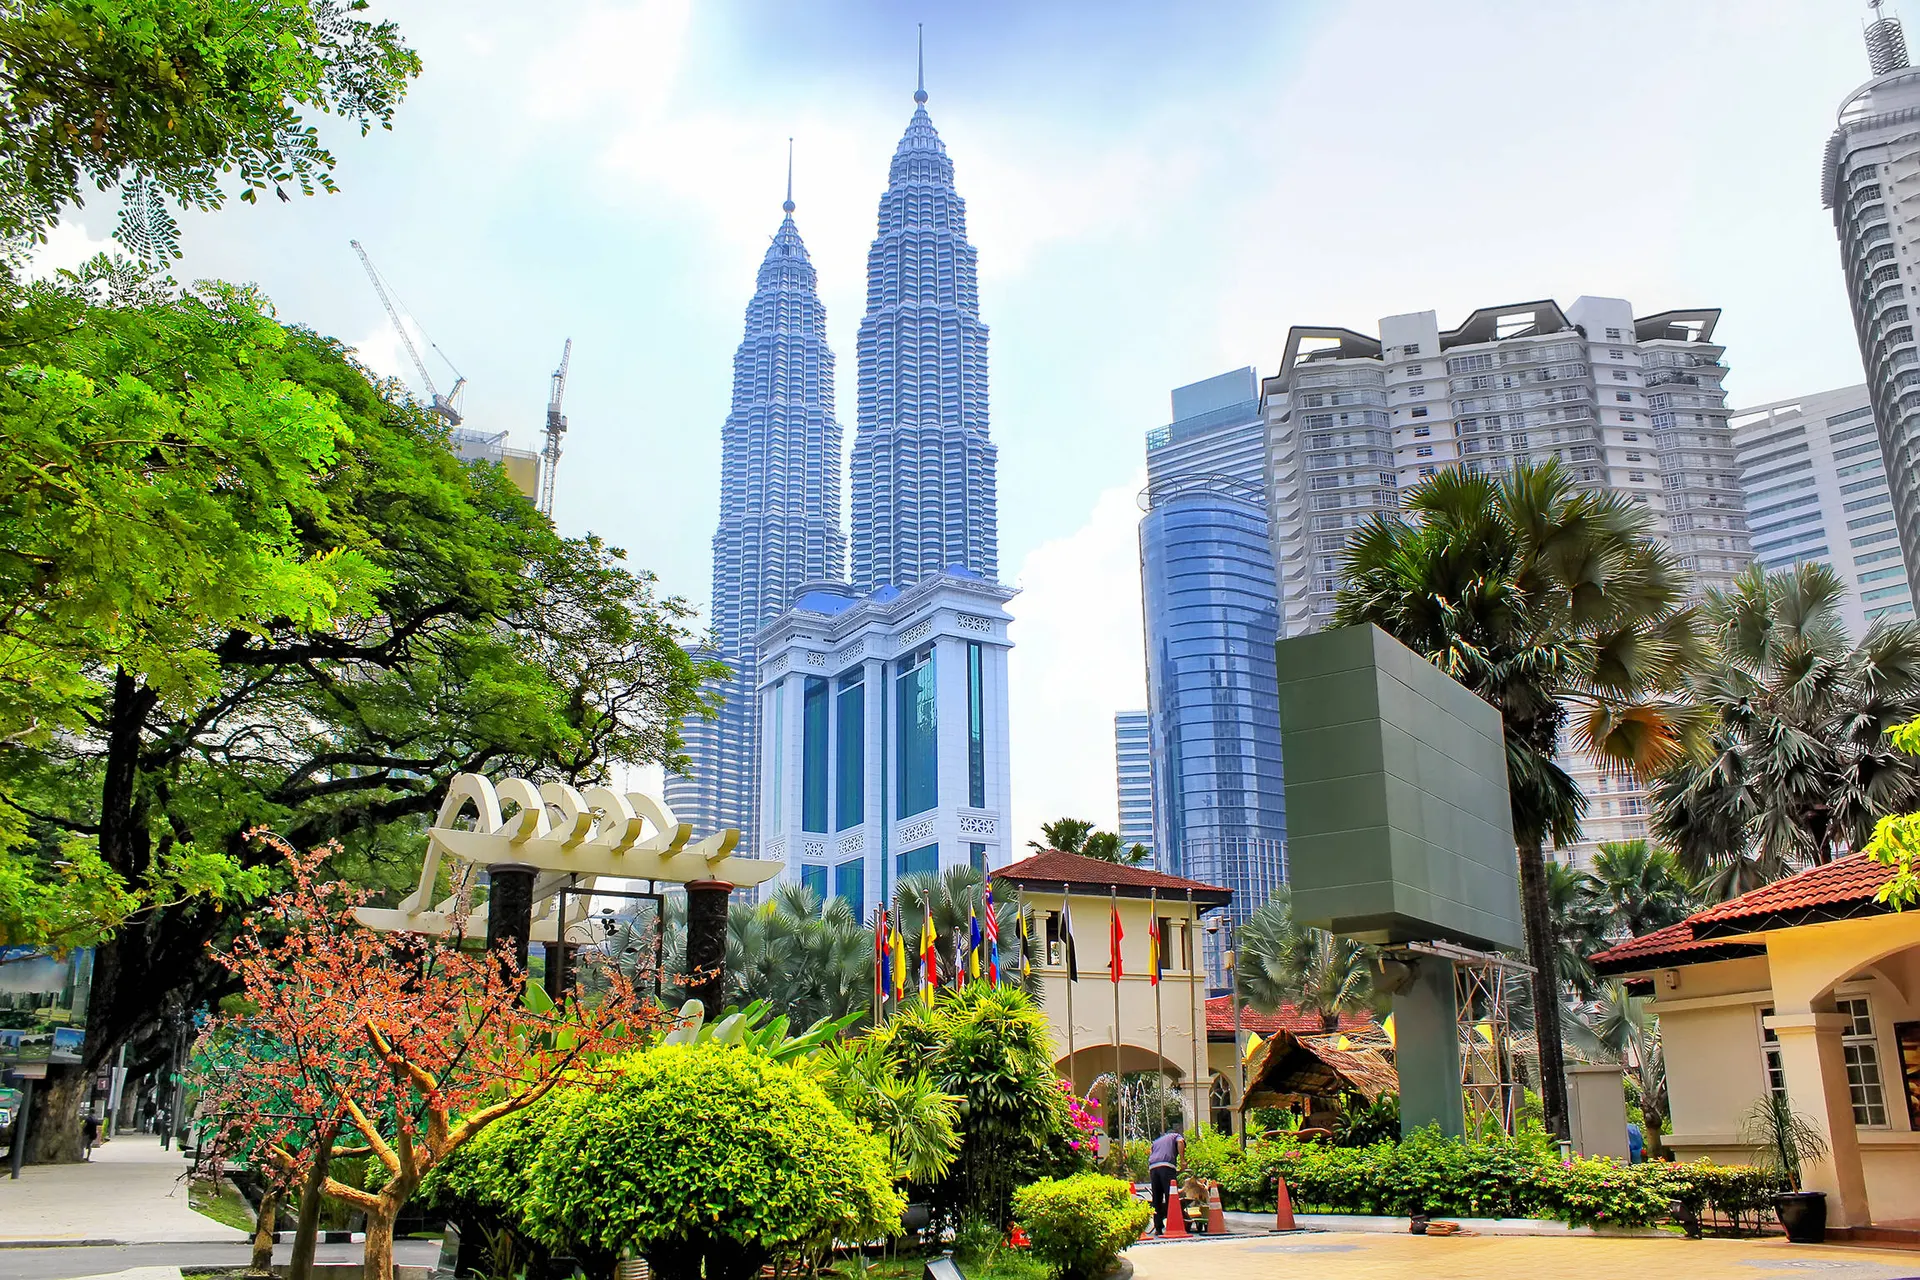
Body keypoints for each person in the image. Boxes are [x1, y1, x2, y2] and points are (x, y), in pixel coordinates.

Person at [1147, 1126, 1185, 1236]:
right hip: (1167, 1165)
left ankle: (1158, 1228)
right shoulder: (1176, 1136)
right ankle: (1172, 1225)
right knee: (1171, 1197)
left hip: (1153, 1167)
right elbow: (1180, 1142)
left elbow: (1152, 1151)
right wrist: (1182, 1160)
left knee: (1157, 1199)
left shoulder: (1157, 1141)